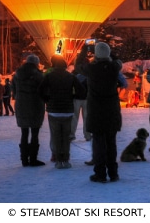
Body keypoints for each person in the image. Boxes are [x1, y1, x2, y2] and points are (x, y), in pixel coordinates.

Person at [84, 42, 123, 183]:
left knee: (98, 143)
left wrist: (84, 49)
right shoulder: (114, 68)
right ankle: (113, 173)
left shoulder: (91, 69)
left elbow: (78, 66)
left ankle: (100, 173)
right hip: (111, 109)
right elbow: (118, 60)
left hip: (96, 111)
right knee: (111, 142)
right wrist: (109, 53)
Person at [38, 55, 85, 169]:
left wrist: (47, 100)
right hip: (67, 110)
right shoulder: (71, 77)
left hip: (54, 110)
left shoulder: (49, 76)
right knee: (66, 136)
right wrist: (72, 96)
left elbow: (40, 90)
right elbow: (81, 92)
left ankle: (58, 159)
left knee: (56, 135)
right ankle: (66, 159)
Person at [12, 55, 45, 166]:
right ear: (36, 63)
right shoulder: (39, 75)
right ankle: (33, 158)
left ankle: (24, 159)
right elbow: (43, 90)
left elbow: (14, 90)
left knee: (24, 132)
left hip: (21, 105)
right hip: (35, 105)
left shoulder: (17, 74)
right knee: (35, 133)